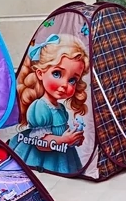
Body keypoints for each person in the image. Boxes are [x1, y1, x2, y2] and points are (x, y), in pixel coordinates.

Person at [12, 34, 88, 175]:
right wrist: (64, 139)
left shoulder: (61, 108)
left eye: (72, 80)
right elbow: (40, 143)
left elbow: (60, 133)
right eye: (57, 74)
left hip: (62, 155)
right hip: (44, 161)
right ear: (40, 73)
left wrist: (74, 138)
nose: (64, 84)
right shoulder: (40, 107)